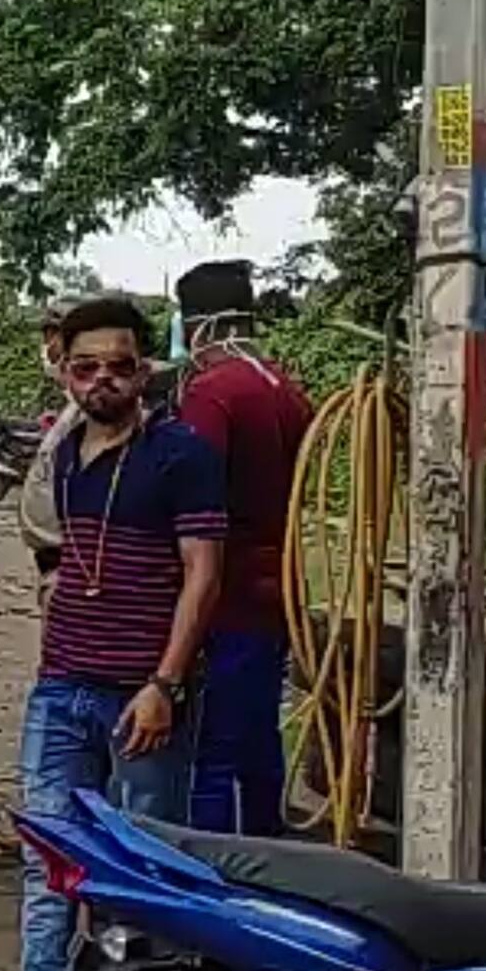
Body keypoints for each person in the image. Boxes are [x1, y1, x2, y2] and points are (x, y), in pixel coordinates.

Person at [16, 297, 226, 971]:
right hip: (60, 689)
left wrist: (164, 683)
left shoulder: (183, 454)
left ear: (145, 370)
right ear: (63, 371)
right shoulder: (65, 453)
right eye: (86, 366)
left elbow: (203, 572)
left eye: (119, 365)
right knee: (48, 863)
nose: (102, 379)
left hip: (141, 696)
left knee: (140, 874)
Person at [172, 261, 312, 836]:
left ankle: (214, 882)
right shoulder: (286, 388)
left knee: (211, 754)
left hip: (224, 595)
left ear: (199, 324)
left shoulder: (212, 394)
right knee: (258, 744)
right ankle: (270, 860)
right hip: (276, 592)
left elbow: (190, 493)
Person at [18, 301, 85, 600]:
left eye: (52, 336)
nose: (47, 347)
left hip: (72, 568)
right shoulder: (72, 408)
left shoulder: (91, 412)